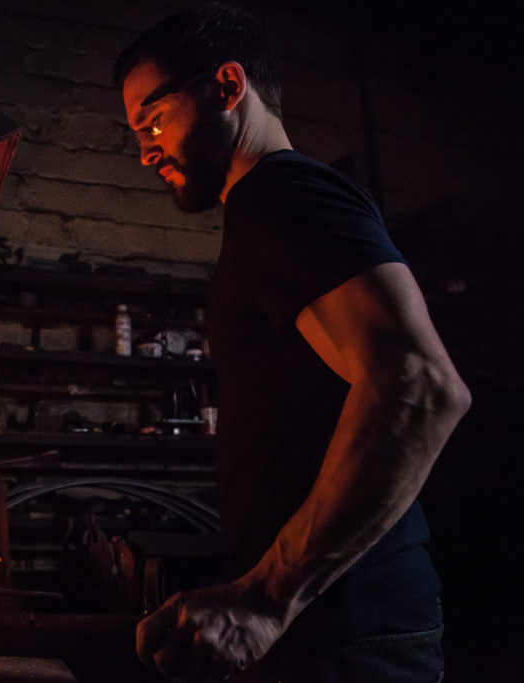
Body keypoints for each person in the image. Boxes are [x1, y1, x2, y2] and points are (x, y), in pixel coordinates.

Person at [115, 4, 471, 681]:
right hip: (336, 627)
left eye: (153, 120)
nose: (145, 150)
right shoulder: (277, 204)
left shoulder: (281, 195)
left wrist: (267, 596)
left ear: (226, 87)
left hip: (343, 634)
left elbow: (422, 389)